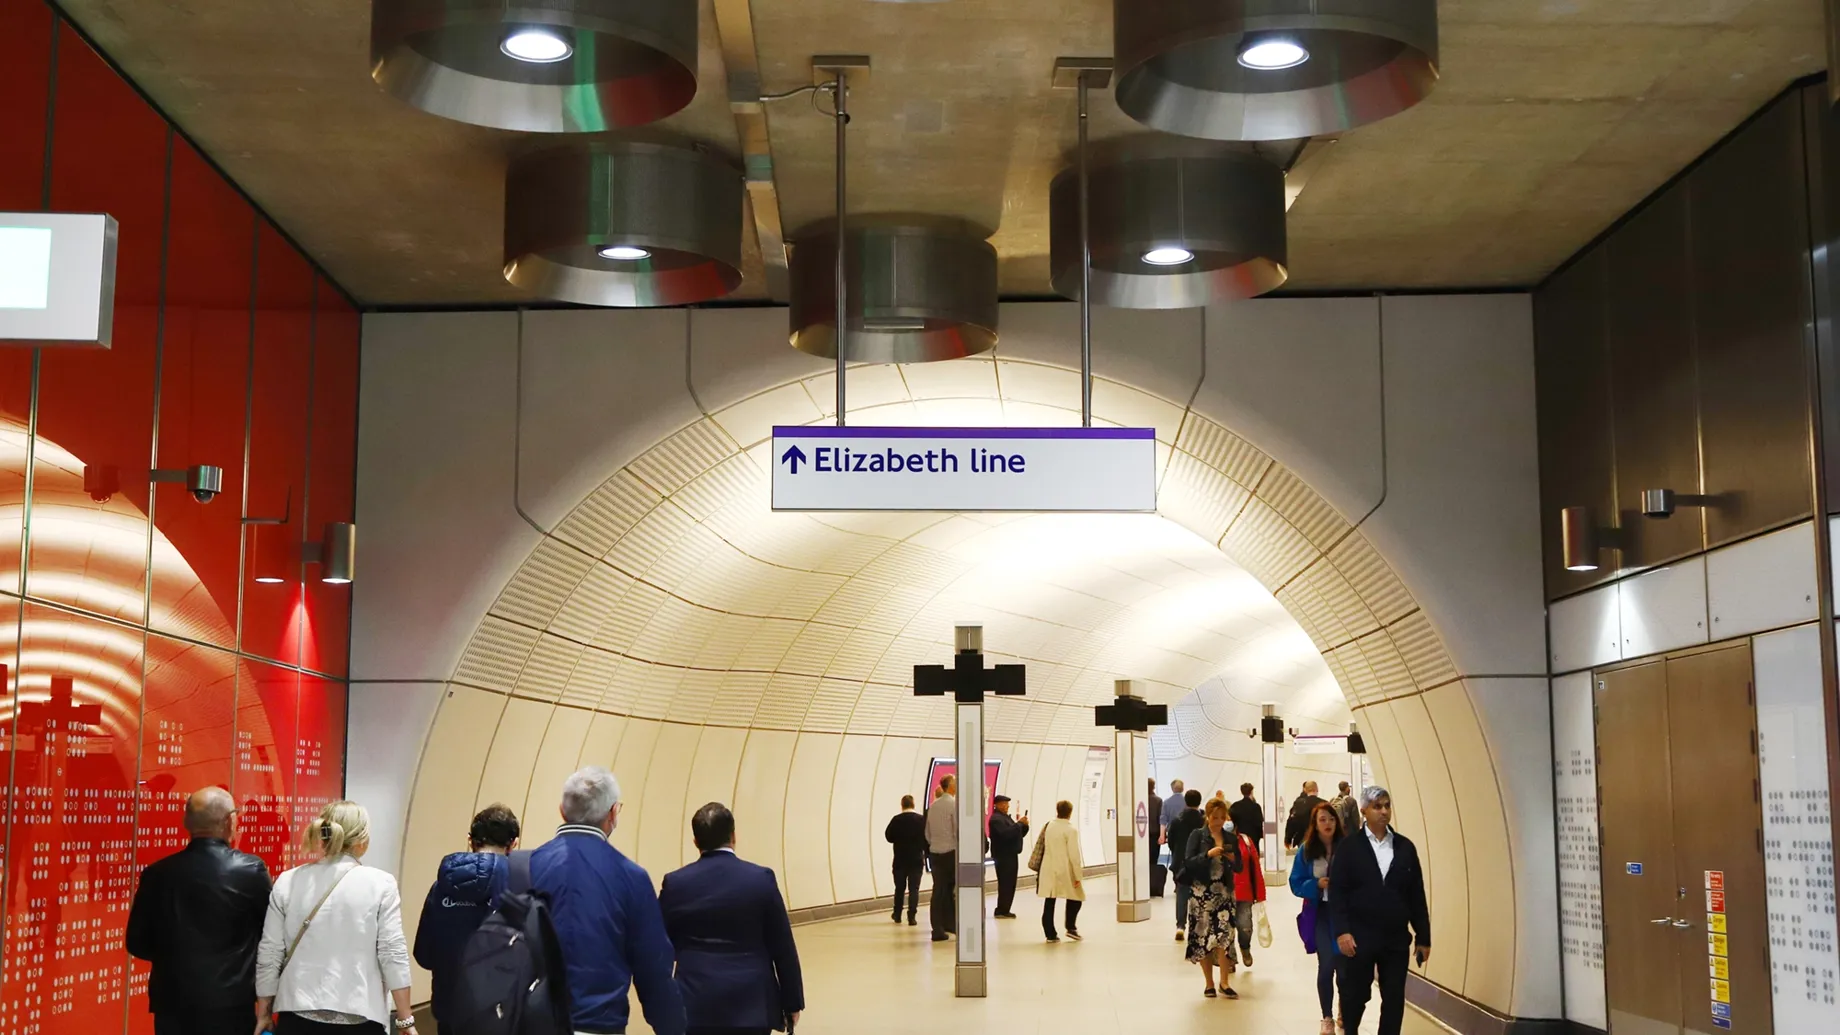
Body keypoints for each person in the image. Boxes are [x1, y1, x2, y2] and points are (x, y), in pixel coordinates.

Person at [531, 766, 686, 1035]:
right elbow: (653, 969)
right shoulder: (631, 877)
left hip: (533, 1024)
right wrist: (672, 1027)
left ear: (562, 810)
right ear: (612, 813)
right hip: (599, 1024)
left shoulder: (525, 866)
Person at [254, 800, 416, 1035]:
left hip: (297, 1016)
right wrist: (405, 1019)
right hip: (360, 1017)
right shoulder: (380, 884)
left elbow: (270, 953)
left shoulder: (288, 881)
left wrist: (264, 1012)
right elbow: (392, 953)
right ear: (362, 840)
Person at [125, 787, 272, 1035]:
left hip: (171, 1003)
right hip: (231, 1004)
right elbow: (270, 935)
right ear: (229, 821)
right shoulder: (250, 870)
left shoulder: (156, 873)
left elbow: (137, 943)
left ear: (187, 822)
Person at [660, 803, 804, 1035]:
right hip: (752, 1006)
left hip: (695, 1003)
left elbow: (658, 946)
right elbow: (782, 946)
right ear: (733, 836)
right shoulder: (761, 879)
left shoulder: (676, 883)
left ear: (696, 841)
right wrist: (792, 1002)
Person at [1330, 787, 1431, 1035]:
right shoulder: (1349, 848)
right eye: (1377, 806)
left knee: (1394, 998)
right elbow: (1338, 893)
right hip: (1359, 937)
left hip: (1395, 938)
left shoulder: (1405, 848)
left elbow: (1416, 895)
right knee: (1355, 996)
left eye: (1387, 805)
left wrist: (1423, 937)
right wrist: (1342, 931)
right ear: (1364, 811)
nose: (1384, 811)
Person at [413, 803, 520, 1032]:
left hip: (450, 1011)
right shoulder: (520, 887)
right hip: (501, 1016)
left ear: (470, 840)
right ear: (514, 844)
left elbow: (424, 955)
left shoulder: (440, 888)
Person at [1291, 802, 1347, 1035]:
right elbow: (1295, 882)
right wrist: (1315, 884)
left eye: (1331, 819)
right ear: (1315, 824)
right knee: (1326, 966)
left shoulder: (1348, 848)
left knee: (1344, 967)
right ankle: (1327, 1017)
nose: (1328, 824)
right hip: (1320, 914)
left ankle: (1344, 1008)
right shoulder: (1306, 850)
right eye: (1322, 819)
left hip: (1344, 915)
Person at [1183, 798, 1244, 999]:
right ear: (1207, 816)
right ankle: (1209, 982)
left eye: (1221, 817)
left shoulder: (1230, 838)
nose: (1218, 821)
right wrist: (1207, 855)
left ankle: (1224, 982)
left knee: (1225, 937)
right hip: (1201, 894)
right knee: (1203, 938)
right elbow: (1188, 862)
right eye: (1214, 817)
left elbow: (1240, 867)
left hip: (1224, 894)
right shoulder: (1197, 836)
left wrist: (1233, 859)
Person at [1035, 800, 1085, 942]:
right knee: (1076, 897)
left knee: (1050, 900)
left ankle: (1050, 933)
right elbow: (1074, 855)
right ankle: (1071, 927)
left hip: (1047, 868)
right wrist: (1078, 875)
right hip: (1064, 869)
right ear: (1070, 812)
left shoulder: (1049, 826)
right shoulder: (1071, 830)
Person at [1166, 789, 1205, 942]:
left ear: (1185, 802)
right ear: (1199, 802)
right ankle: (1198, 926)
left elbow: (1171, 841)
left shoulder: (1177, 820)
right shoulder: (1203, 820)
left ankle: (1180, 926)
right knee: (1200, 895)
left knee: (1181, 894)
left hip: (1180, 862)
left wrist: (1177, 854)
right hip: (1199, 862)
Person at [884, 794, 927, 926]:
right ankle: (912, 916)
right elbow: (926, 838)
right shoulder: (921, 820)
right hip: (916, 859)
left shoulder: (896, 820)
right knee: (914, 888)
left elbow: (889, 837)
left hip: (900, 859)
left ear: (902, 805)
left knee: (899, 888)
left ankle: (897, 914)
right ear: (913, 804)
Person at [925, 775, 958, 942]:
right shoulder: (953, 805)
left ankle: (938, 926)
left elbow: (928, 833)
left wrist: (935, 845)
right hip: (950, 852)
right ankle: (948, 924)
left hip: (935, 853)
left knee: (938, 890)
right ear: (950, 786)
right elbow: (957, 830)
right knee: (950, 890)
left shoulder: (933, 806)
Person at [1231, 814, 1267, 966]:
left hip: (1244, 891)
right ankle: (1229, 959)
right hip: (1223, 893)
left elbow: (1255, 867)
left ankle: (1245, 948)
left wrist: (1260, 893)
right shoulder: (1215, 841)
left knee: (1245, 927)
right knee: (1226, 929)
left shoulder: (1245, 841)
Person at [986, 795, 1030, 918]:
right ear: (997, 805)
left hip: (1011, 854)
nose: (1007, 806)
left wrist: (1024, 826)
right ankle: (1001, 909)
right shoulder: (996, 819)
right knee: (1005, 883)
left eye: (1007, 804)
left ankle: (1005, 908)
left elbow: (1016, 833)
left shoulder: (1005, 818)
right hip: (1003, 856)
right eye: (1004, 804)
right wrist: (1019, 824)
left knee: (1010, 883)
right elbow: (1006, 834)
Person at [1284, 781, 1326, 851]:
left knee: (1304, 855)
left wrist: (1288, 839)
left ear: (1305, 790)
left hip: (1303, 837)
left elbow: (1292, 821)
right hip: (1320, 837)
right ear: (1317, 789)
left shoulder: (1299, 804)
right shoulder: (1324, 803)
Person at [1228, 782, 1265, 857]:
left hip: (1240, 836)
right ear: (1251, 792)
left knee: (1242, 856)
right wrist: (1260, 835)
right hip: (1254, 837)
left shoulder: (1235, 806)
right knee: (1254, 857)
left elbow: (1232, 820)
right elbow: (1259, 822)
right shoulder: (1256, 807)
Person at [1146, 780, 1165, 897]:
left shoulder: (1139, 800)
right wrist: (1162, 835)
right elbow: (1161, 819)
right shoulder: (1158, 800)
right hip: (1154, 834)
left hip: (1141, 835)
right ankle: (1152, 885)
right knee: (1153, 860)